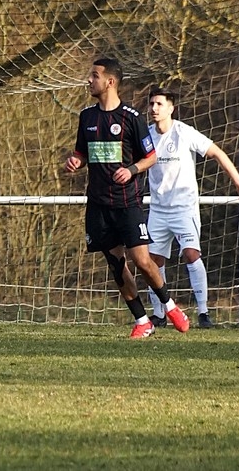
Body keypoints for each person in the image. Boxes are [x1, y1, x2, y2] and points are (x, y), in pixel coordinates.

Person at [63, 58, 190, 338]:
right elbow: (82, 153)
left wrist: (131, 170)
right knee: (116, 263)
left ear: (110, 81)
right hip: (98, 204)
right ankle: (142, 320)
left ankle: (169, 305)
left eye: (94, 76)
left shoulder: (131, 118)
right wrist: (75, 161)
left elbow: (150, 157)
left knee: (142, 260)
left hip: (127, 202)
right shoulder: (87, 117)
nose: (89, 80)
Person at [146, 87, 239, 329]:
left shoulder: (183, 132)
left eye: (159, 104)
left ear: (171, 108)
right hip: (158, 209)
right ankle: (159, 314)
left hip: (184, 208)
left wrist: (238, 182)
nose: (154, 108)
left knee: (191, 254)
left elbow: (217, 152)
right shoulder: (146, 136)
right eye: (151, 104)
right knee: (152, 261)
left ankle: (204, 313)